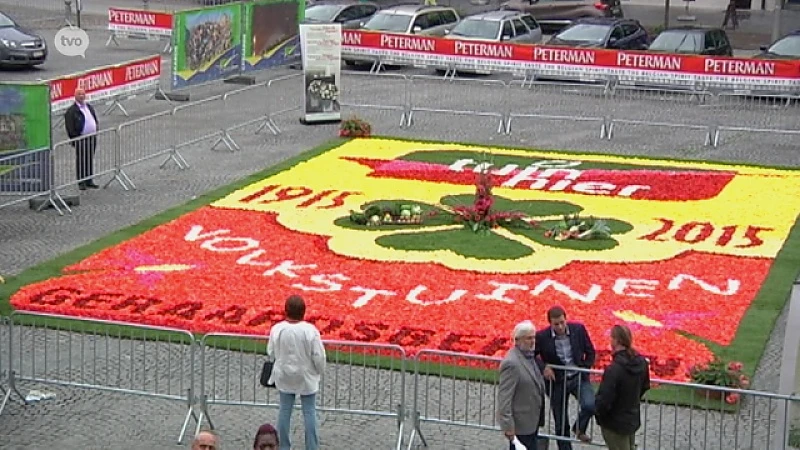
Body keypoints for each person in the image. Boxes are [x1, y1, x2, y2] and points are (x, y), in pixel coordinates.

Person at [268, 295, 326, 450]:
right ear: (304, 312)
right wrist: (320, 371)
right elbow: (318, 355)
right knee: (309, 412)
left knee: (284, 410)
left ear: (285, 311)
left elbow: (270, 351)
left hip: (284, 374)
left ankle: (283, 446)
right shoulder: (310, 330)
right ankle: (312, 446)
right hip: (306, 376)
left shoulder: (277, 329)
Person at [534, 306, 596, 449]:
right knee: (561, 423)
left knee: (590, 405)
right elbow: (532, 355)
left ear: (566, 319)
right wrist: (544, 367)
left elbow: (590, 351)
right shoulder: (542, 337)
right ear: (550, 323)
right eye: (556, 324)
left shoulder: (578, 330)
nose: (560, 327)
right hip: (557, 383)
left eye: (562, 322)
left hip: (578, 377)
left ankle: (579, 428)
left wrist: (584, 368)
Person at [595, 325, 650, 450]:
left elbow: (604, 398)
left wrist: (600, 415)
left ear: (616, 340)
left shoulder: (614, 369)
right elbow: (645, 386)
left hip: (614, 423)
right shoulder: (641, 363)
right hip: (631, 418)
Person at [497, 320, 546, 450]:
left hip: (531, 422)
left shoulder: (529, 357)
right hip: (521, 426)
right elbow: (504, 399)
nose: (533, 341)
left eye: (534, 337)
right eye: (529, 338)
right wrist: (508, 428)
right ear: (518, 340)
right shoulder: (511, 364)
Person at [64, 88, 100, 190]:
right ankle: (81, 182)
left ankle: (89, 180)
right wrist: (75, 138)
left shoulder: (88, 106)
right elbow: (69, 126)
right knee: (81, 160)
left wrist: (96, 128)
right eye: (79, 94)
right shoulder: (72, 111)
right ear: (75, 96)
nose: (81, 96)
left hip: (91, 137)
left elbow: (94, 118)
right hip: (80, 138)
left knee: (89, 158)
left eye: (83, 94)